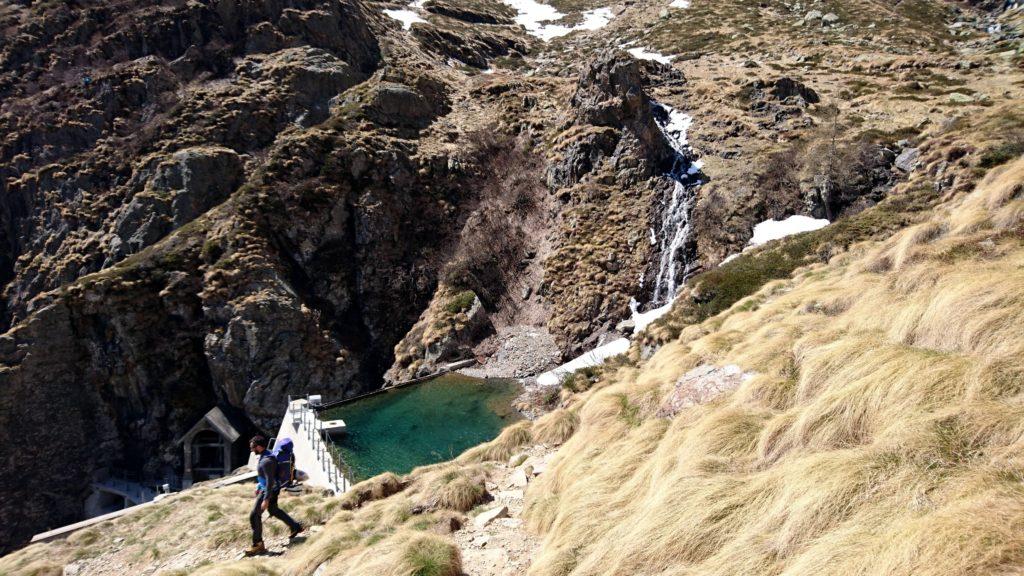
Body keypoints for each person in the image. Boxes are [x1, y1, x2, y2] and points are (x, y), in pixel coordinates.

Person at [245, 435, 304, 556]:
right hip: (270, 489)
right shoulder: (265, 455)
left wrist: (266, 499)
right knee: (274, 510)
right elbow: (266, 478)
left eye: (253, 447)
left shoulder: (267, 461)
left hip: (268, 491)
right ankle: (295, 526)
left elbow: (270, 481)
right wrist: (259, 486)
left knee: (254, 516)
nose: (251, 449)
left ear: (260, 447)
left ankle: (258, 545)